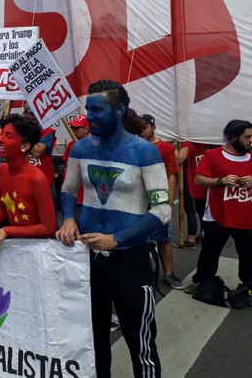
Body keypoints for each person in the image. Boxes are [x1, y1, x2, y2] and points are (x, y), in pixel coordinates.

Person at [56, 80, 170, 378]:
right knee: (91, 341)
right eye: (88, 109)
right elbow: (68, 190)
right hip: (87, 261)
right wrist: (68, 219)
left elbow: (163, 210)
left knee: (141, 344)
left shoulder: (144, 152)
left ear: (119, 111)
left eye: (97, 110)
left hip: (131, 262)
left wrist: (116, 239)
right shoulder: (80, 148)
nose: (89, 117)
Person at [0, 114, 56, 254]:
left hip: (37, 251)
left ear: (25, 146)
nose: (0, 139)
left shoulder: (37, 178)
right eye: (2, 133)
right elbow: (4, 208)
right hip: (14, 247)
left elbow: (49, 228)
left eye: (9, 136)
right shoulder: (1, 170)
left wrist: (6, 231)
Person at [185, 120, 252, 295]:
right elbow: (198, 179)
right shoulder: (213, 155)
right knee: (210, 252)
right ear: (233, 137)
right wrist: (221, 181)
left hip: (245, 215)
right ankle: (201, 281)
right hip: (217, 214)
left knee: (248, 253)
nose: (250, 140)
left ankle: (248, 286)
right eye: (247, 137)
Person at [140, 114, 184, 290]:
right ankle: (141, 273)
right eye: (139, 128)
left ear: (154, 128)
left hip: (158, 198)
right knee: (138, 238)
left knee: (163, 238)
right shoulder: (133, 146)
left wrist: (169, 202)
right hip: (136, 200)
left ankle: (169, 274)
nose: (142, 131)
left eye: (145, 127)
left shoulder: (165, 148)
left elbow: (171, 175)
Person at [176, 140, 215, 247]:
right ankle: (204, 234)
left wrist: (174, 147)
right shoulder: (204, 144)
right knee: (202, 211)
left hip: (191, 182)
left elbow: (180, 159)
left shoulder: (188, 143)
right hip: (203, 182)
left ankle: (191, 238)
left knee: (191, 211)